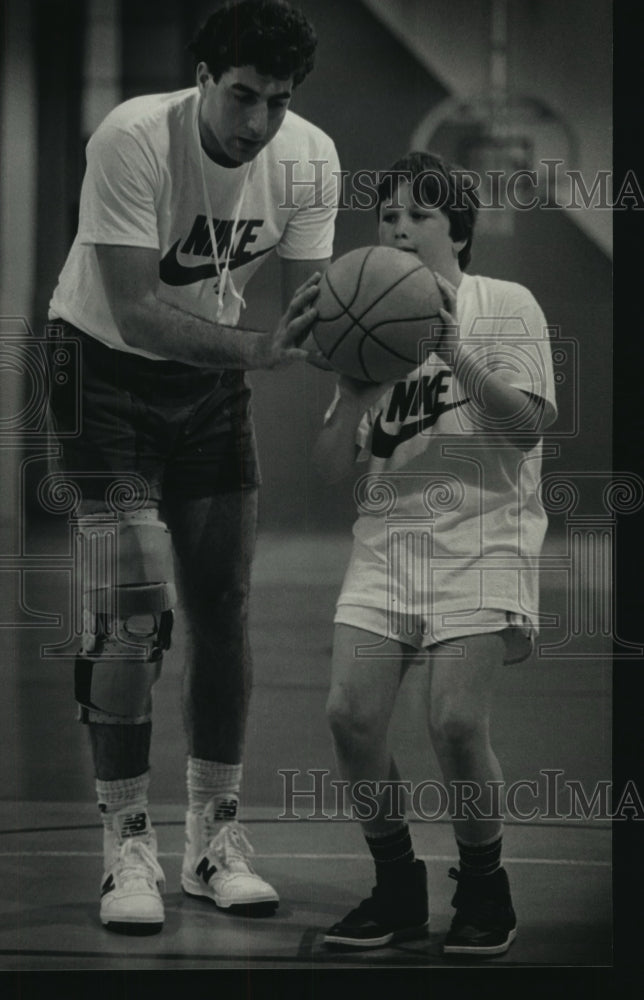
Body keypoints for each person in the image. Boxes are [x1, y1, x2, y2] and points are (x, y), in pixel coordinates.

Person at [46, 0, 339, 934]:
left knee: (224, 603)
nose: (257, 123)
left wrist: (394, 318)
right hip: (101, 366)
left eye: (278, 101)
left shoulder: (311, 160)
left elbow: (309, 315)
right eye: (242, 96)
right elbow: (135, 312)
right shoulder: (134, 136)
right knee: (129, 610)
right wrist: (259, 353)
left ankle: (213, 837)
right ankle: (125, 845)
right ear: (205, 79)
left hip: (207, 377)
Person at [313, 150, 557, 956]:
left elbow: (526, 429)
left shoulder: (506, 304)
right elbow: (328, 473)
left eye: (417, 213)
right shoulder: (372, 326)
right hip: (388, 547)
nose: (398, 227)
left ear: (457, 226)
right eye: (387, 215)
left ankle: (486, 888)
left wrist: (453, 348)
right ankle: (396, 888)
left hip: (483, 540)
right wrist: (351, 391)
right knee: (349, 715)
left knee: (455, 721)